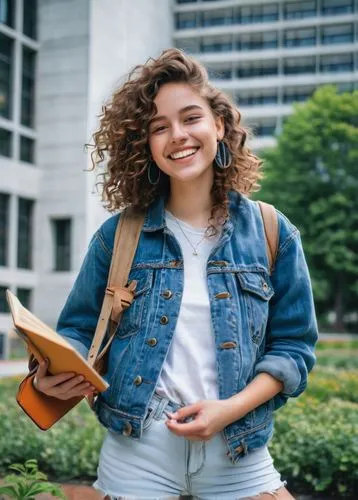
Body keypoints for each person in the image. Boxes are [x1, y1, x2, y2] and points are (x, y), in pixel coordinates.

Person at [34, 49, 318, 499]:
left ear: (219, 125)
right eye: (159, 127)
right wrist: (50, 370)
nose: (177, 136)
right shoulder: (118, 235)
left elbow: (293, 349)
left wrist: (228, 410)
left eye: (190, 118)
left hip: (238, 450)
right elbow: (77, 330)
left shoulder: (271, 230)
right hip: (137, 453)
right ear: (145, 144)